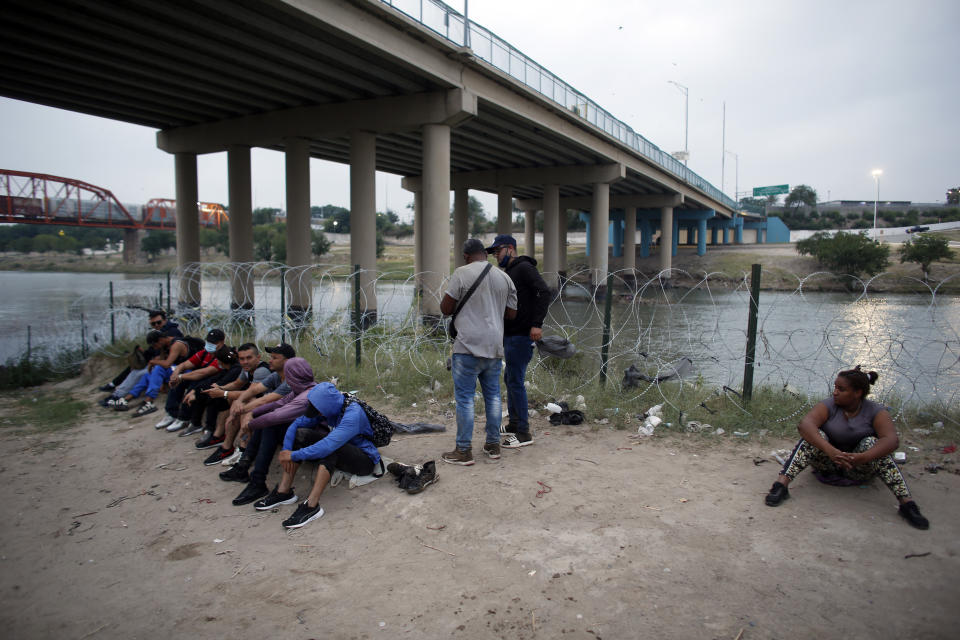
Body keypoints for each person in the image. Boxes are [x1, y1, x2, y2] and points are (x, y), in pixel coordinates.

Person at [764, 366, 930, 530]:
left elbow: (891, 441)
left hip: (859, 466)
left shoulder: (876, 411)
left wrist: (863, 457)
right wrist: (831, 451)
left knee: (872, 443)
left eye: (841, 389)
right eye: (835, 387)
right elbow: (805, 425)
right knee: (815, 437)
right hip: (827, 463)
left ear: (857, 393)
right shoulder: (829, 405)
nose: (835, 392)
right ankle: (781, 486)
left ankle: (907, 503)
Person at [260, 382, 381, 529]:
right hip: (340, 448)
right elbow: (296, 424)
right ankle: (283, 492)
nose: (319, 415)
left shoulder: (353, 414)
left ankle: (312, 506)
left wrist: (294, 455)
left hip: (364, 459)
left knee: (331, 448)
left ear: (327, 407)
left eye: (320, 412)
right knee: (301, 434)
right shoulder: (328, 406)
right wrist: (286, 451)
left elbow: (328, 446)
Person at [439, 238, 516, 466]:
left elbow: (445, 309)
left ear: (465, 256)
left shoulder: (462, 273)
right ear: (485, 253)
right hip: (494, 345)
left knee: (465, 399)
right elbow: (512, 314)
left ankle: (463, 450)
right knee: (493, 397)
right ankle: (493, 445)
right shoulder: (504, 277)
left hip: (467, 346)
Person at [486, 234, 550, 449]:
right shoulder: (511, 271)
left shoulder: (523, 268)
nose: (496, 255)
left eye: (498, 250)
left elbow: (544, 291)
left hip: (522, 334)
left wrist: (537, 324)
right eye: (494, 252)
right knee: (510, 378)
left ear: (511, 248)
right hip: (511, 334)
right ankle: (514, 423)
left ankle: (523, 432)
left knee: (515, 380)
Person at [231, 357, 317, 506]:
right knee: (266, 423)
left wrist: (250, 425)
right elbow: (277, 403)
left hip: (313, 438)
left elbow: (277, 415)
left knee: (269, 424)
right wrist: (248, 412)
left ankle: (257, 481)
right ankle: (246, 469)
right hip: (299, 432)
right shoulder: (300, 389)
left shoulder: (306, 396)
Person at [218, 343, 296, 482]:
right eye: (270, 357)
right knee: (262, 420)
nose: (270, 360)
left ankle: (257, 478)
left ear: (287, 361)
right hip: (280, 417)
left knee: (265, 424)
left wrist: (243, 411)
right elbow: (253, 390)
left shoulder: (291, 380)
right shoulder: (276, 376)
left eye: (275, 357)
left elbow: (266, 400)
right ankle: (243, 466)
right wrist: (239, 403)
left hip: (294, 423)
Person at [194, 343, 272, 465]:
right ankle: (226, 446)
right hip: (258, 402)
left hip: (270, 405)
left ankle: (242, 451)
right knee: (234, 402)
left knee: (241, 404)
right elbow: (236, 384)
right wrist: (220, 388)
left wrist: (223, 393)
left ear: (258, 357)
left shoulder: (261, 371)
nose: (245, 362)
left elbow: (250, 392)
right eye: (242, 359)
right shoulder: (247, 369)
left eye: (249, 358)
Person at [98, 309, 182, 403]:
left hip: (171, 366)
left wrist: (153, 361)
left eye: (158, 322)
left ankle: (119, 395)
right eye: (153, 324)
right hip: (160, 364)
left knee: (140, 373)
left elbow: (168, 359)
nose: (156, 325)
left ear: (165, 320)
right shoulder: (159, 333)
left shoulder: (172, 333)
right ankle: (117, 392)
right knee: (136, 369)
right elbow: (156, 352)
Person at [155, 329, 227, 431]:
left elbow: (205, 372)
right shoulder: (204, 353)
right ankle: (172, 413)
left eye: (214, 342)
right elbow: (185, 364)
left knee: (194, 385)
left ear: (221, 342)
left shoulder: (223, 355)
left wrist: (180, 376)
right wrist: (176, 374)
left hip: (214, 380)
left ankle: (184, 418)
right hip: (202, 377)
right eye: (209, 341)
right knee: (179, 382)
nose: (210, 344)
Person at [114, 328, 190, 414]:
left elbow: (167, 364)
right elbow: (162, 359)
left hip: (186, 371)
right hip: (175, 371)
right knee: (147, 375)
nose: (155, 348)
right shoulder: (165, 345)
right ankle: (126, 399)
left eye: (155, 345)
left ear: (160, 340)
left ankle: (149, 402)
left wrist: (152, 362)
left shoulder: (176, 344)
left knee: (158, 368)